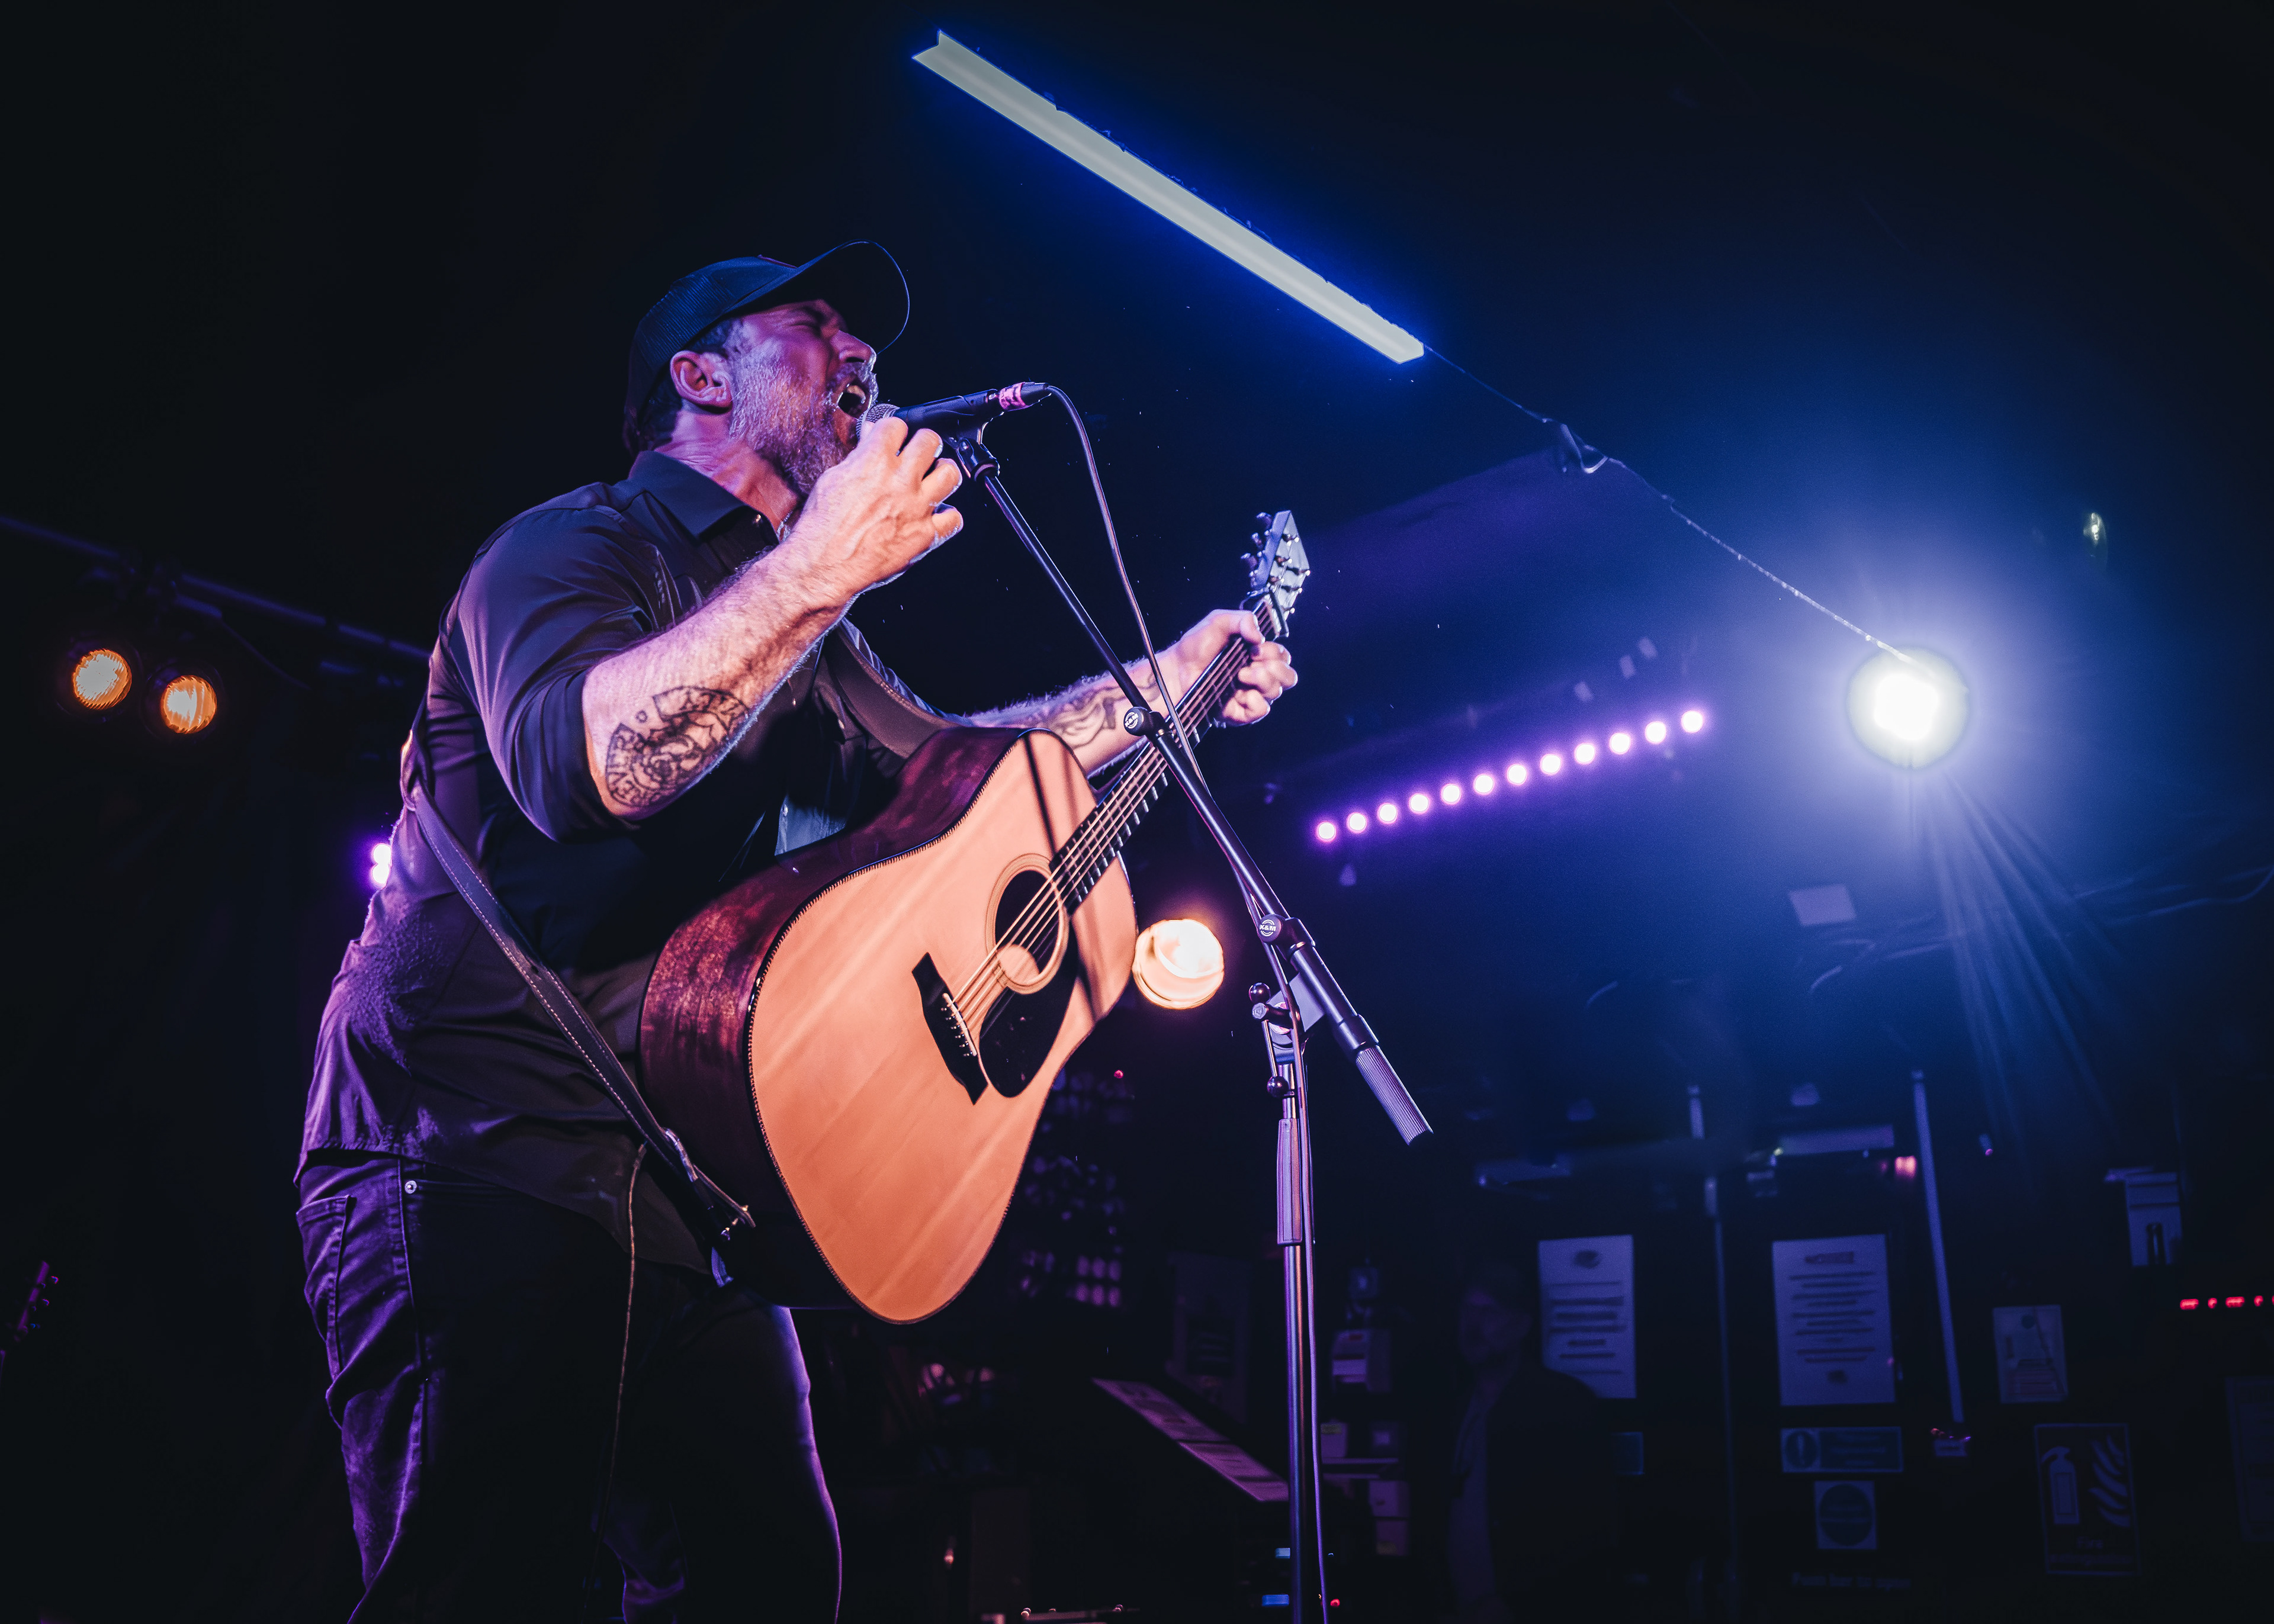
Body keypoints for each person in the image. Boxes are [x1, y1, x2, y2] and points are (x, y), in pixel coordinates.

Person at [294, 242, 1297, 1622]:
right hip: (471, 1144)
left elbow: (965, 785)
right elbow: (590, 767)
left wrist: (1161, 686)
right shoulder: (572, 543)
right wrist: (821, 567)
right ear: (700, 375)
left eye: (861, 339)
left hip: (681, 1177)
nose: (862, 356)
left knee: (766, 1579)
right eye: (816, 326)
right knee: (479, 1580)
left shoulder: (809, 622)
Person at [1441, 1260, 1618, 1623]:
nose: (1472, 1325)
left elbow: (1587, 1527)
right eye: (1467, 1311)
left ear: (1521, 1325)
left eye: (1488, 1312)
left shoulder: (1564, 1406)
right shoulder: (1452, 1411)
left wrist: (1516, 1601)